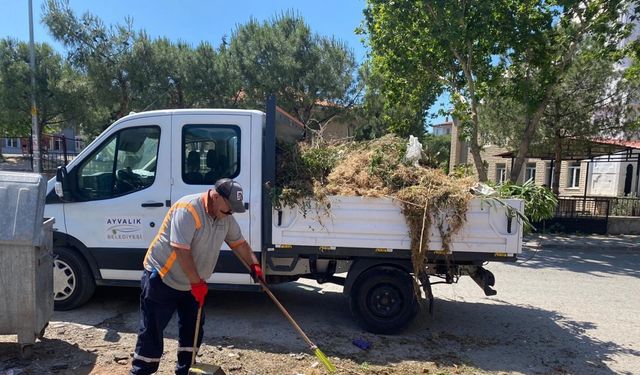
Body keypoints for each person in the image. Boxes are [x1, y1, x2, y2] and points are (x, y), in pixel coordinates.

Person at [130, 178, 264, 375]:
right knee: (152, 330)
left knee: (192, 331)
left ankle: (186, 370)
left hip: (194, 283)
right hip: (162, 278)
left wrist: (255, 265)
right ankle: (141, 371)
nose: (230, 213)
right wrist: (196, 284)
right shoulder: (188, 209)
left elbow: (239, 243)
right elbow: (180, 250)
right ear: (216, 196)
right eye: (229, 208)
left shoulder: (224, 216)